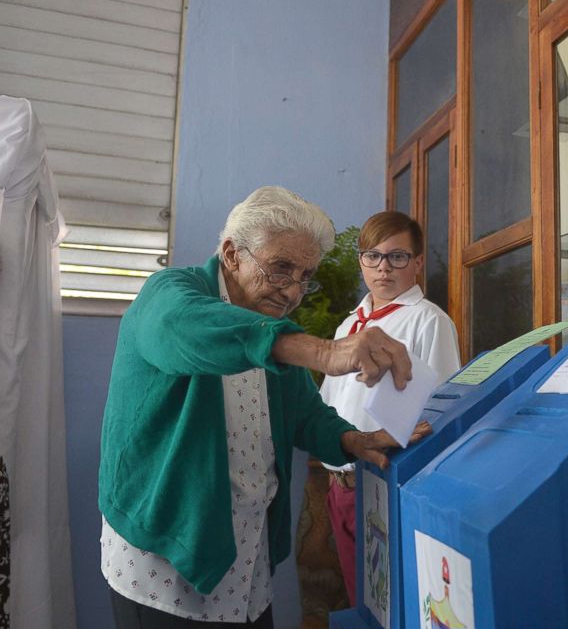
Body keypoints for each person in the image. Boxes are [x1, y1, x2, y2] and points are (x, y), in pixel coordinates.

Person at [98, 186, 431, 629]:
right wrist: (326, 352)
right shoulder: (172, 292)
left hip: (244, 565)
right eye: (280, 269)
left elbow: (305, 413)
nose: (292, 291)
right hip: (163, 562)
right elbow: (181, 328)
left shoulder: (273, 324)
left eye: (304, 276)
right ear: (232, 254)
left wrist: (352, 438)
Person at [319, 210, 460, 605]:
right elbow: (330, 401)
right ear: (361, 261)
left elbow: (441, 414)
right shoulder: (349, 326)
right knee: (359, 600)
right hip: (339, 483)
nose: (384, 268)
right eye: (373, 256)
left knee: (390, 602)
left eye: (397, 257)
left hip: (386, 481)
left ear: (416, 263)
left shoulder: (427, 321)